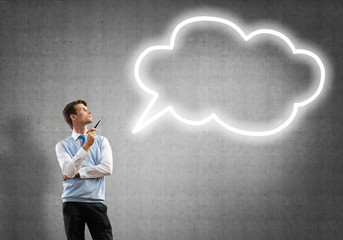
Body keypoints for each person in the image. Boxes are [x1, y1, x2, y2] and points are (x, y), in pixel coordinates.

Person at [55, 100, 113, 240]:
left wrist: (78, 173)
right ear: (73, 117)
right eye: (83, 109)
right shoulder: (61, 145)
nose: (89, 111)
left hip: (95, 202)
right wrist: (86, 145)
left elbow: (107, 168)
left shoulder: (102, 141)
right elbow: (68, 172)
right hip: (71, 203)